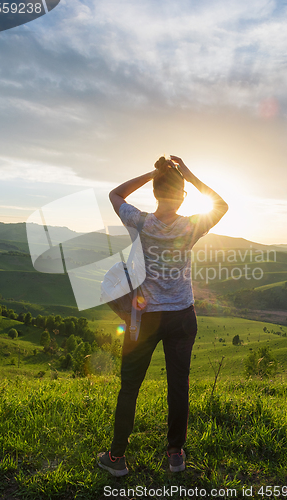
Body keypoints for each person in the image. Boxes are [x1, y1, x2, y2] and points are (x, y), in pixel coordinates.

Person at [98, 155, 228, 476]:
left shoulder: (140, 222)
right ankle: (175, 455)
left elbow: (115, 195)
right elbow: (221, 205)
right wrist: (187, 174)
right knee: (178, 385)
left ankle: (116, 458)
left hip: (146, 318)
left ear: (155, 192)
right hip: (182, 315)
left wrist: (152, 173)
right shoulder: (190, 225)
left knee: (130, 386)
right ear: (182, 195)